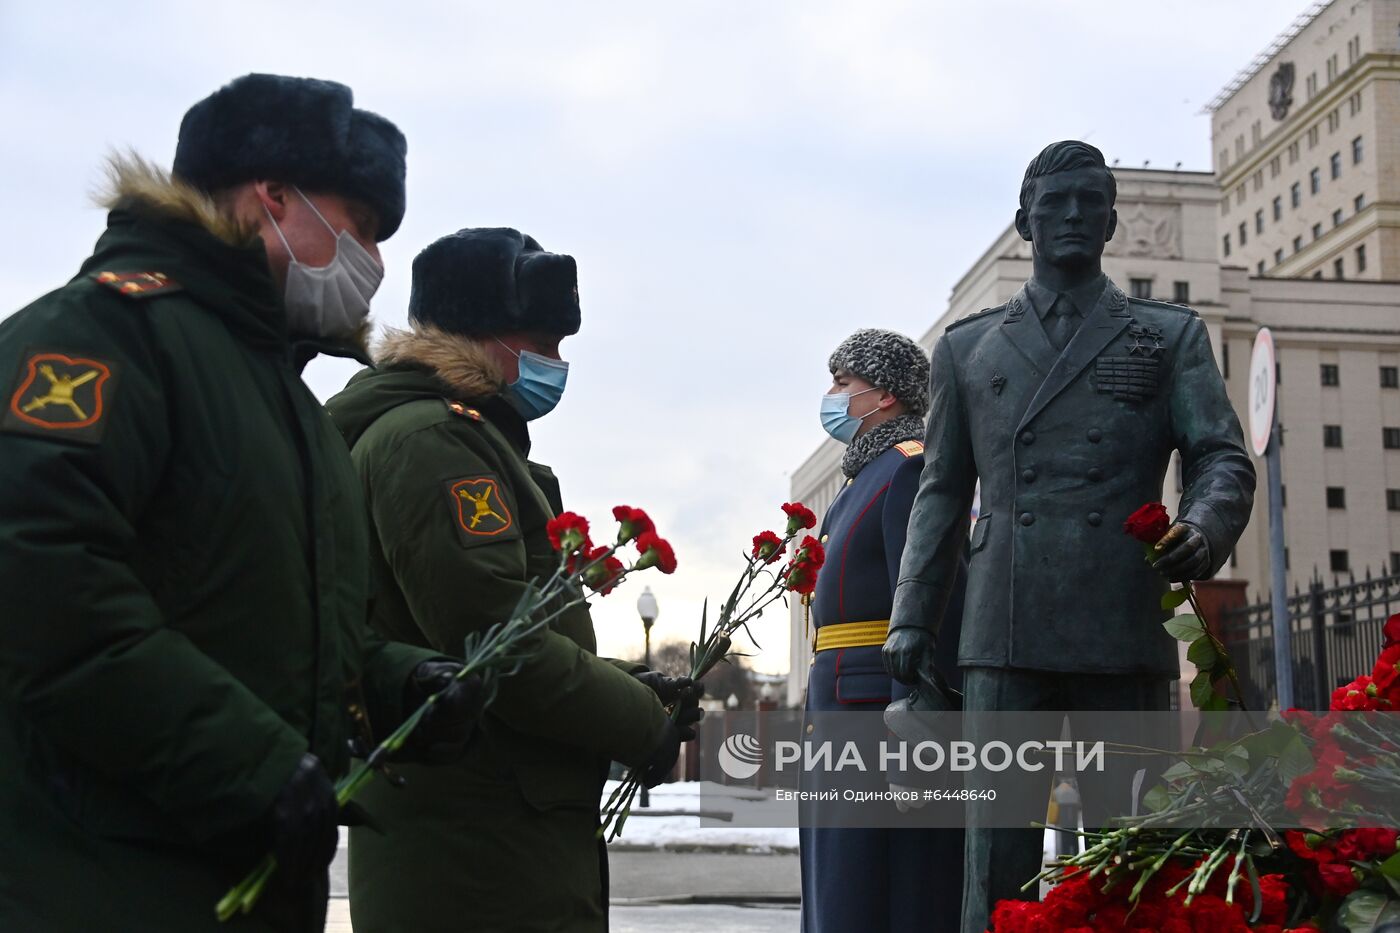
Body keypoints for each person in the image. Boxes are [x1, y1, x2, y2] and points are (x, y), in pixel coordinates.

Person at [0, 74, 486, 932]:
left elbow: (267, 617)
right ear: (272, 193)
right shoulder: (103, 335)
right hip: (103, 882)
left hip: (237, 883)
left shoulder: (282, 395)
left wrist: (392, 680)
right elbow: (42, 588)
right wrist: (252, 764)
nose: (370, 260)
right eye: (360, 226)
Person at [884, 140, 1256, 933]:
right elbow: (942, 490)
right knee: (997, 865)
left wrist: (1205, 523)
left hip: (1119, 619)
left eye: (1091, 202)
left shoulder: (1168, 335)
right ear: (1025, 221)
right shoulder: (967, 346)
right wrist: (913, 614)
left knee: (1128, 861)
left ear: (1114, 220)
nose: (1075, 216)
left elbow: (1221, 454)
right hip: (1004, 627)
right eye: (1056, 203)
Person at [326, 227, 702, 933]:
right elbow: (498, 645)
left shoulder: (461, 437)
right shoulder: (432, 441)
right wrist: (638, 721)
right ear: (478, 336)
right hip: (476, 849)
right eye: (543, 344)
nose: (556, 365)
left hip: (491, 833)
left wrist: (626, 684)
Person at [800, 329, 966, 933]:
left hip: (878, 716)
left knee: (881, 888)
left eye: (844, 383)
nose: (833, 395)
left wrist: (916, 725)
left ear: (885, 395)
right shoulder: (861, 479)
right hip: (843, 706)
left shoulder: (908, 467)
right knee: (841, 880)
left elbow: (929, 602)